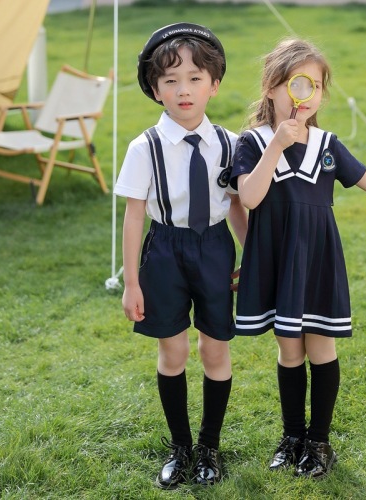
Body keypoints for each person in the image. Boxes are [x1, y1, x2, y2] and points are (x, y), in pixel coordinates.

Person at [230, 38, 366, 480]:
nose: (306, 96)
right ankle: (293, 437)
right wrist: (276, 145)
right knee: (289, 351)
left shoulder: (328, 143)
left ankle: (319, 441)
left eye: (316, 86)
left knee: (320, 348)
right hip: (276, 258)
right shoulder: (251, 143)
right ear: (273, 88)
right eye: (298, 83)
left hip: (317, 258)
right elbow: (249, 198)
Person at [114, 22, 247, 489]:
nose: (183, 90)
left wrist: (248, 256)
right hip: (165, 249)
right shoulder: (144, 147)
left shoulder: (231, 144)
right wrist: (132, 282)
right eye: (170, 80)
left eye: (194, 78)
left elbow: (234, 203)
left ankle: (210, 447)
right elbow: (134, 217)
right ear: (155, 90)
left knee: (215, 348)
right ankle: (181, 446)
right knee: (173, 351)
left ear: (214, 84)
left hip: (213, 248)